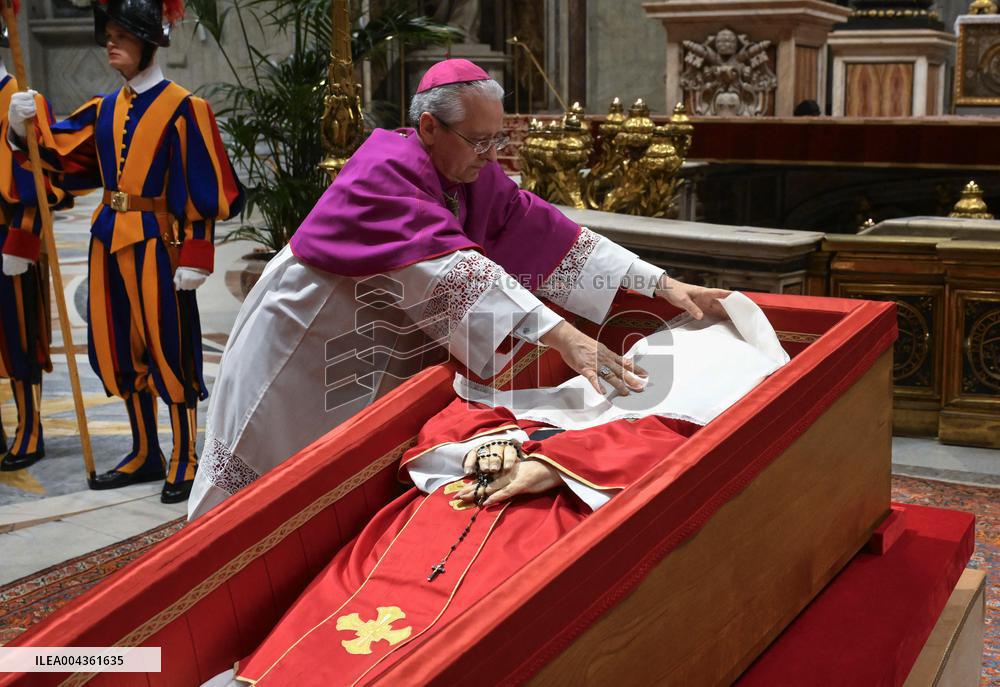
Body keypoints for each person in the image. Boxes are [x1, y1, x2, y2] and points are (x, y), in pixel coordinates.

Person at [189, 58, 728, 521]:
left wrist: (659, 282)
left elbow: (551, 235)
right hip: (300, 347)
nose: (492, 155)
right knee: (250, 478)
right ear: (428, 127)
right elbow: (454, 273)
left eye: (499, 139)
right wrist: (565, 337)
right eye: (479, 140)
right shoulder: (384, 173)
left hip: (364, 351)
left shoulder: (468, 173)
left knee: (331, 479)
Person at [201, 292, 790, 686]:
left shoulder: (699, 418)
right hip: (456, 500)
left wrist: (554, 465)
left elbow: (674, 454)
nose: (647, 373)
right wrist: (495, 441)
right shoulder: (586, 393)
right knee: (368, 585)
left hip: (555, 513)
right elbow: (460, 417)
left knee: (470, 619)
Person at [6, 0, 244, 502]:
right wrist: (18, 126)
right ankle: (144, 452)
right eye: (108, 34)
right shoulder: (104, 108)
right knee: (118, 349)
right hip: (108, 241)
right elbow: (59, 158)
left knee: (170, 349)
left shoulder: (185, 108)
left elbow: (203, 183)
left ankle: (185, 454)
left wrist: (197, 255)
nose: (110, 43)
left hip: (160, 244)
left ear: (147, 42)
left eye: (121, 35)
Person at [0, 18, 69, 472]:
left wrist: (21, 243)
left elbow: (42, 180)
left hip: (8, 235)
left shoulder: (21, 99)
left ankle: (30, 427)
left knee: (19, 335)